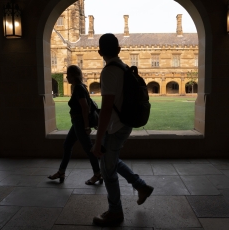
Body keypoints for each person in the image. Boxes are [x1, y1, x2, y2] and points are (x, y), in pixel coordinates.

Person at [92, 33, 154, 226]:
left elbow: (107, 108)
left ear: (100, 51)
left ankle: (115, 212)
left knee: (107, 170)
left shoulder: (109, 71)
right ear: (119, 50)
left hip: (116, 126)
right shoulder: (124, 67)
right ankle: (141, 186)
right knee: (112, 161)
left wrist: (98, 138)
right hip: (125, 123)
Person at [48, 65, 102, 185]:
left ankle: (98, 174)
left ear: (73, 76)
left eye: (68, 75)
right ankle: (61, 171)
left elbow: (85, 107)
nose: (66, 77)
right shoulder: (80, 87)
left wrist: (86, 126)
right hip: (77, 123)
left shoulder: (78, 88)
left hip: (80, 123)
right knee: (67, 145)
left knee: (89, 149)